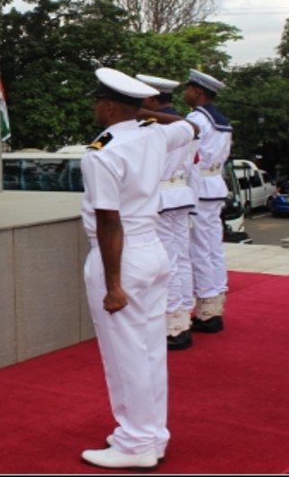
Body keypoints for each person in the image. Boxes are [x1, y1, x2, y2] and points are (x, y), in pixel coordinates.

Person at [79, 67, 199, 470]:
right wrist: (144, 115)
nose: (94, 107)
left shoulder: (102, 152)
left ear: (109, 105)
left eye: (98, 101)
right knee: (149, 352)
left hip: (121, 258)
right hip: (152, 251)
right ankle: (151, 435)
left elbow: (109, 221)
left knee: (125, 354)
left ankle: (135, 444)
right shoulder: (153, 134)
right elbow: (187, 126)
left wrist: (113, 286)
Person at [136, 74, 200, 350]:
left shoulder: (151, 127)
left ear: (150, 99)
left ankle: (169, 322)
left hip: (160, 197)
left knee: (165, 262)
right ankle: (182, 315)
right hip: (181, 193)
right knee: (181, 258)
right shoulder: (186, 124)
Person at [182, 69, 233, 333]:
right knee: (213, 247)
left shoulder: (197, 119)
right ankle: (214, 303)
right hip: (214, 185)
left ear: (198, 92)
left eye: (188, 88)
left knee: (199, 249)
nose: (185, 93)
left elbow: (189, 156)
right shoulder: (220, 120)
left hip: (200, 187)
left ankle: (206, 311)